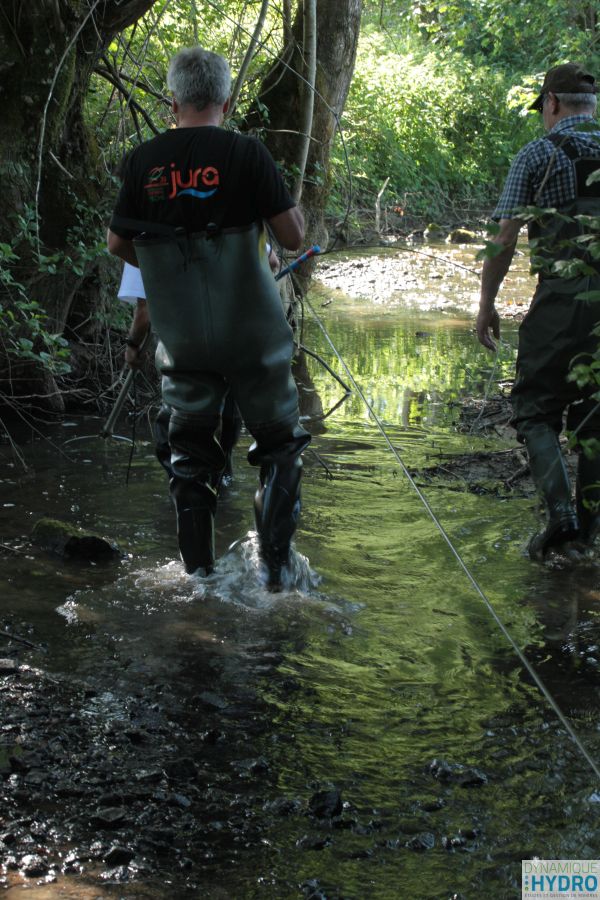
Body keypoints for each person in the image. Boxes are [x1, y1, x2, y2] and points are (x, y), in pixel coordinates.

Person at [107, 46, 311, 589]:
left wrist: (171, 270)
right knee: (280, 445)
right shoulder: (247, 153)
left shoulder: (143, 161)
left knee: (190, 457)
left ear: (172, 101)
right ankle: (274, 577)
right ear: (228, 98)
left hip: (183, 338)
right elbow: (292, 237)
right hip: (253, 335)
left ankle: (199, 582)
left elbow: (117, 242)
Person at [476, 63, 600, 559]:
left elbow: (504, 239)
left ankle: (562, 518)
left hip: (562, 302)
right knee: (596, 418)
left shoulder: (537, 154)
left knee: (533, 408)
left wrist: (486, 304)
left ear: (550, 103)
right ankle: (588, 539)